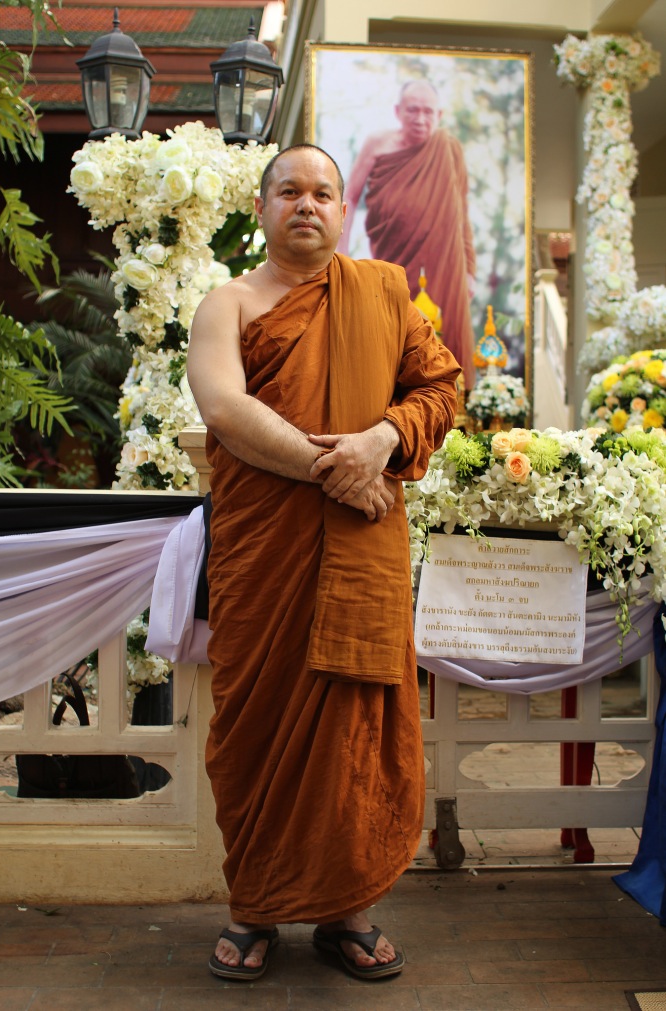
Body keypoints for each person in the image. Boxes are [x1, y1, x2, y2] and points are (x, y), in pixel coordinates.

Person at [186, 143, 460, 983]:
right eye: (290, 191)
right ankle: (256, 904)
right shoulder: (228, 303)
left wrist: (381, 439)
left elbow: (441, 389)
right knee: (256, 723)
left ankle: (349, 908)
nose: (307, 204)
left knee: (356, 727)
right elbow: (223, 406)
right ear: (262, 207)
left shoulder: (383, 293)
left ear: (344, 210)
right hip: (264, 555)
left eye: (323, 193)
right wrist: (335, 468)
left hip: (361, 552)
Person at [337, 80, 477, 387]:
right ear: (398, 111)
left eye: (428, 111)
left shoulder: (448, 148)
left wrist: (469, 269)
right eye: (413, 110)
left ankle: (453, 405)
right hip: (393, 260)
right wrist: (340, 256)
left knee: (446, 338)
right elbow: (349, 198)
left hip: (445, 263)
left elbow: (461, 211)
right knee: (395, 335)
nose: (420, 118)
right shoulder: (377, 144)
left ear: (439, 115)